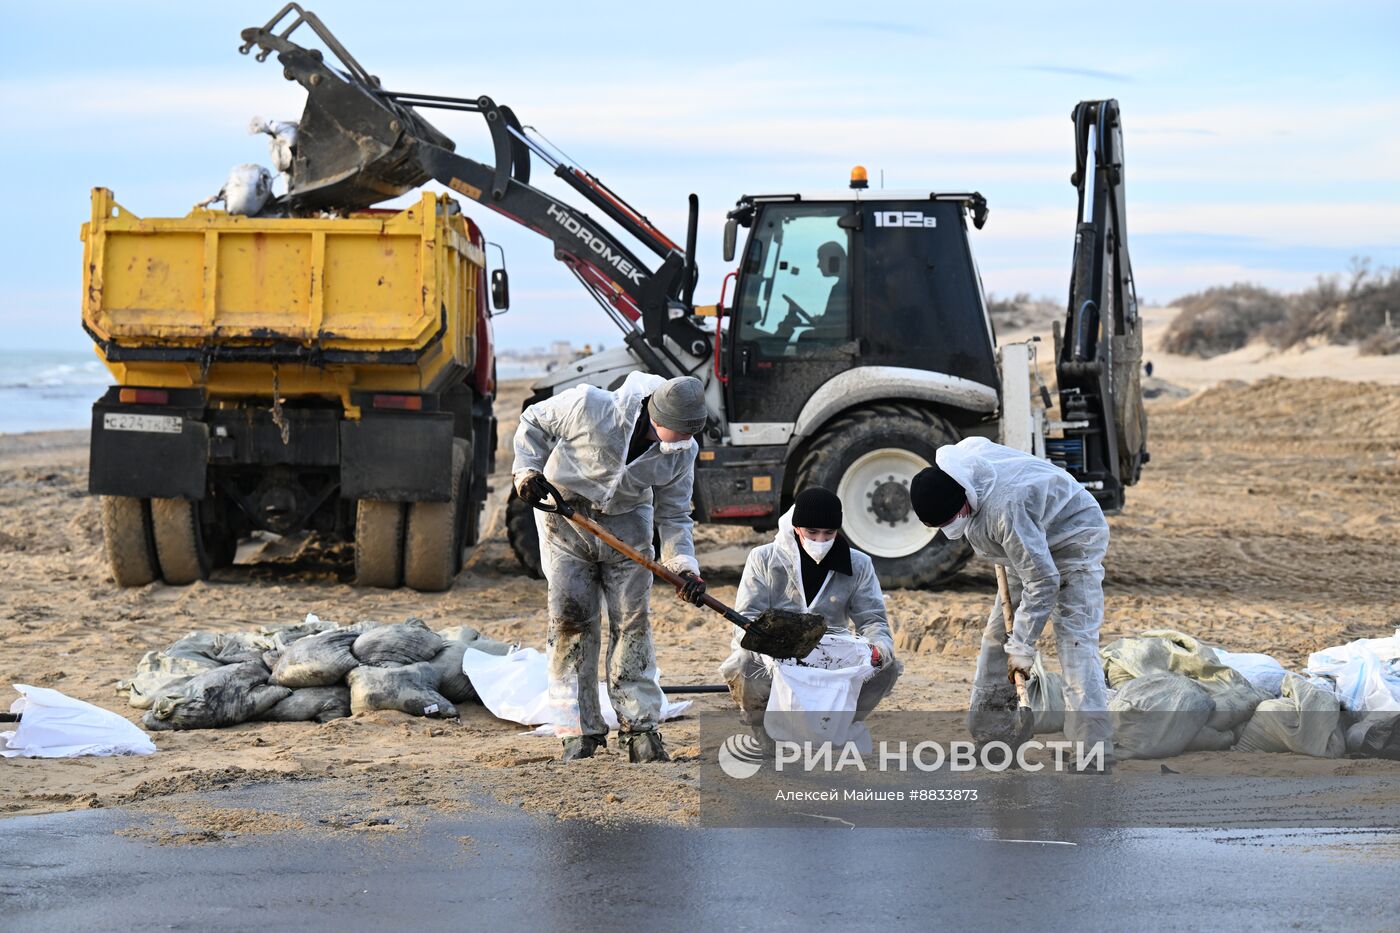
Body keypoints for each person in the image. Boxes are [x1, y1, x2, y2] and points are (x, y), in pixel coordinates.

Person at [513, 372, 709, 763]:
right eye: (677, 433)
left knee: (632, 622)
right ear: (656, 416)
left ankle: (640, 727)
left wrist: (682, 564)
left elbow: (675, 514)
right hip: (564, 519)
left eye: (689, 435)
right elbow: (532, 420)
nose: (682, 443)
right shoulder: (589, 407)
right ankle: (577, 730)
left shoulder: (683, 451)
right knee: (572, 621)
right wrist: (527, 472)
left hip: (628, 524)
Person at [909, 437, 1112, 767]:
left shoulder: (1005, 509)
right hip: (1026, 540)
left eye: (950, 520)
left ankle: (1094, 751)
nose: (950, 529)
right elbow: (1027, 562)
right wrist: (1012, 640)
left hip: (1074, 536)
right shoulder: (962, 465)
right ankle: (994, 736)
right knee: (995, 637)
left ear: (963, 499)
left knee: (1075, 643)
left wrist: (1023, 646)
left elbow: (1043, 581)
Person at [719, 487, 900, 731]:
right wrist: (767, 647)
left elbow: (873, 620)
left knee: (887, 668)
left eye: (829, 533)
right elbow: (746, 618)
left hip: (830, 654)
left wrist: (879, 648)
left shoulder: (858, 564)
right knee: (744, 661)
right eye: (812, 532)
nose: (820, 541)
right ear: (796, 528)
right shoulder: (764, 559)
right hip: (773, 654)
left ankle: (843, 723)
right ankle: (760, 727)